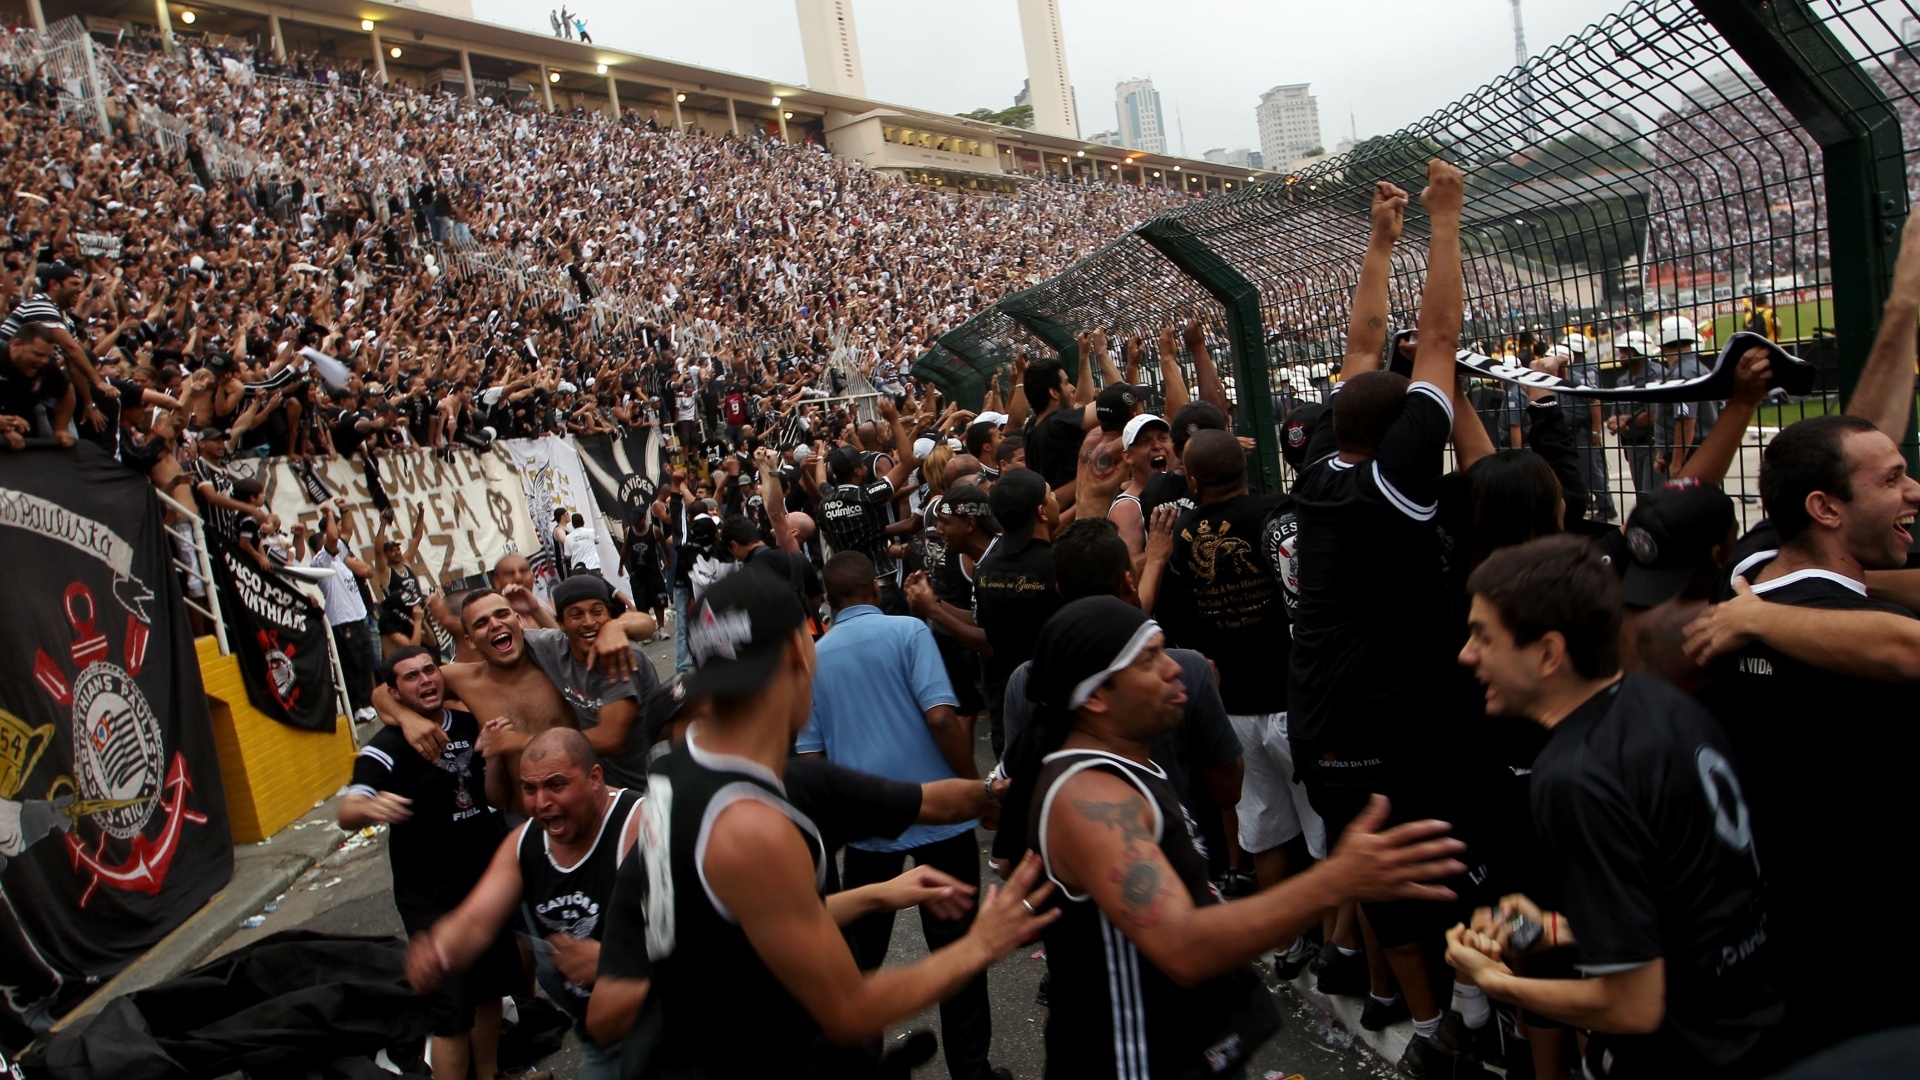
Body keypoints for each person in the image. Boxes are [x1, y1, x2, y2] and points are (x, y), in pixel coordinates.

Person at [1012, 595, 1465, 1079]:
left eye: (1164, 650)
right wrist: (1337, 879)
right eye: (1148, 659)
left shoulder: (1128, 768)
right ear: (1097, 695)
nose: (1173, 670)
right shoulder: (1089, 797)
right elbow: (1182, 945)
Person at [633, 566, 1058, 1078]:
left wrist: (990, 794)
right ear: (799, 649)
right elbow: (848, 1007)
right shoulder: (747, 824)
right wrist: (982, 942)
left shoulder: (681, 771)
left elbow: (918, 801)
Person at [1449, 536, 1782, 1079]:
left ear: (1549, 653)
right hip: (1750, 1027)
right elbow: (1687, 905)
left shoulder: (1574, 774)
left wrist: (1494, 981)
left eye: (1483, 637)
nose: (1467, 654)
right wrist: (1557, 928)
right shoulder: (1661, 702)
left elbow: (1634, 1006)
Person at [796, 551, 994, 1080]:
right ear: (874, 591)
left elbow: (810, 757)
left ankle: (859, 1068)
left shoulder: (814, 657)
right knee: (959, 956)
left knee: (857, 965)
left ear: (828, 602)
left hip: (864, 832)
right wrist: (974, 788)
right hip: (939, 814)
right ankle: (971, 1072)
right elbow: (941, 717)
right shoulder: (909, 632)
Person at [1155, 428, 1325, 967]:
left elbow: (1177, 618)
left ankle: (1288, 943)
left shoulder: (1181, 534)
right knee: (1324, 833)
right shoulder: (1278, 514)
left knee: (1265, 832)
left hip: (1234, 708)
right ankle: (1340, 945)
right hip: (1294, 697)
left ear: (1193, 479)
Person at [404, 728, 642, 1080]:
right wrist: (438, 950)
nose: (541, 802)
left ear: (594, 778)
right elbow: (475, 921)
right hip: (600, 1037)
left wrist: (614, 964)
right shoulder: (525, 844)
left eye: (556, 785)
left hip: (665, 1028)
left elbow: (705, 943)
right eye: (530, 789)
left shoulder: (639, 827)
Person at [340, 648, 515, 1080]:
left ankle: (491, 1075)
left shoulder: (467, 722)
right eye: (411, 677)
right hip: (430, 895)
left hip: (483, 881)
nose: (425, 681)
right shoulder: (387, 746)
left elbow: (493, 798)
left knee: (488, 991)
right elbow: (348, 810)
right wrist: (371, 806)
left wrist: (492, 758)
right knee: (450, 1011)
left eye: (429, 670)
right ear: (394, 691)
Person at [520, 574, 658, 789]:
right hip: (606, 787)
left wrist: (522, 742)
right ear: (561, 623)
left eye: (597, 611)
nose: (589, 622)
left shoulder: (621, 655)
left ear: (609, 614)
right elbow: (509, 637)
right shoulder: (554, 647)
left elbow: (610, 739)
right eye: (576, 615)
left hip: (650, 785)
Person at [972, 468, 1064, 756]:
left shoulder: (985, 570)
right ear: (1042, 511)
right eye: (1051, 495)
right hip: (1056, 704)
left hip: (1009, 703)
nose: (1056, 500)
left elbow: (988, 635)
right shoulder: (1058, 566)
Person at [815, 397, 919, 616]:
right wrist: (893, 419)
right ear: (858, 471)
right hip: (880, 589)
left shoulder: (825, 504)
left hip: (849, 595)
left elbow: (821, 484)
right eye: (862, 465)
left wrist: (819, 458)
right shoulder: (870, 495)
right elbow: (908, 462)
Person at [312, 500, 378, 723]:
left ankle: (367, 703)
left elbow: (347, 531)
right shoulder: (321, 561)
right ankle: (357, 706)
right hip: (342, 620)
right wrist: (329, 513)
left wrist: (344, 509)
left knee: (363, 662)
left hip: (357, 616)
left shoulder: (339, 559)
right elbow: (333, 537)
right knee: (352, 664)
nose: (338, 542)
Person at [0, 324, 74, 449]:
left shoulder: (46, 366)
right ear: (16, 344)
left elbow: (66, 391)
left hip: (26, 428)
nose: (43, 361)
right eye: (38, 355)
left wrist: (61, 428)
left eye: (47, 356)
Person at [563, 512, 603, 579]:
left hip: (578, 570)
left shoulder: (568, 538)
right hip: (593, 566)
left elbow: (567, 556)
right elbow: (597, 541)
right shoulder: (591, 531)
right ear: (583, 522)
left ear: (573, 525)